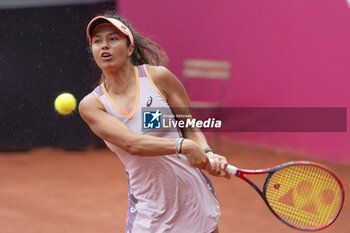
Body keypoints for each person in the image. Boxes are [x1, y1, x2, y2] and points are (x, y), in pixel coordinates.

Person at [79, 10, 229, 233]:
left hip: (193, 198)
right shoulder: (93, 105)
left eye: (113, 38)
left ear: (130, 48)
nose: (104, 46)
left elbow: (189, 127)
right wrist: (183, 146)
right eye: (97, 41)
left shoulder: (159, 78)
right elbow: (133, 144)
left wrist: (206, 151)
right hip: (150, 210)